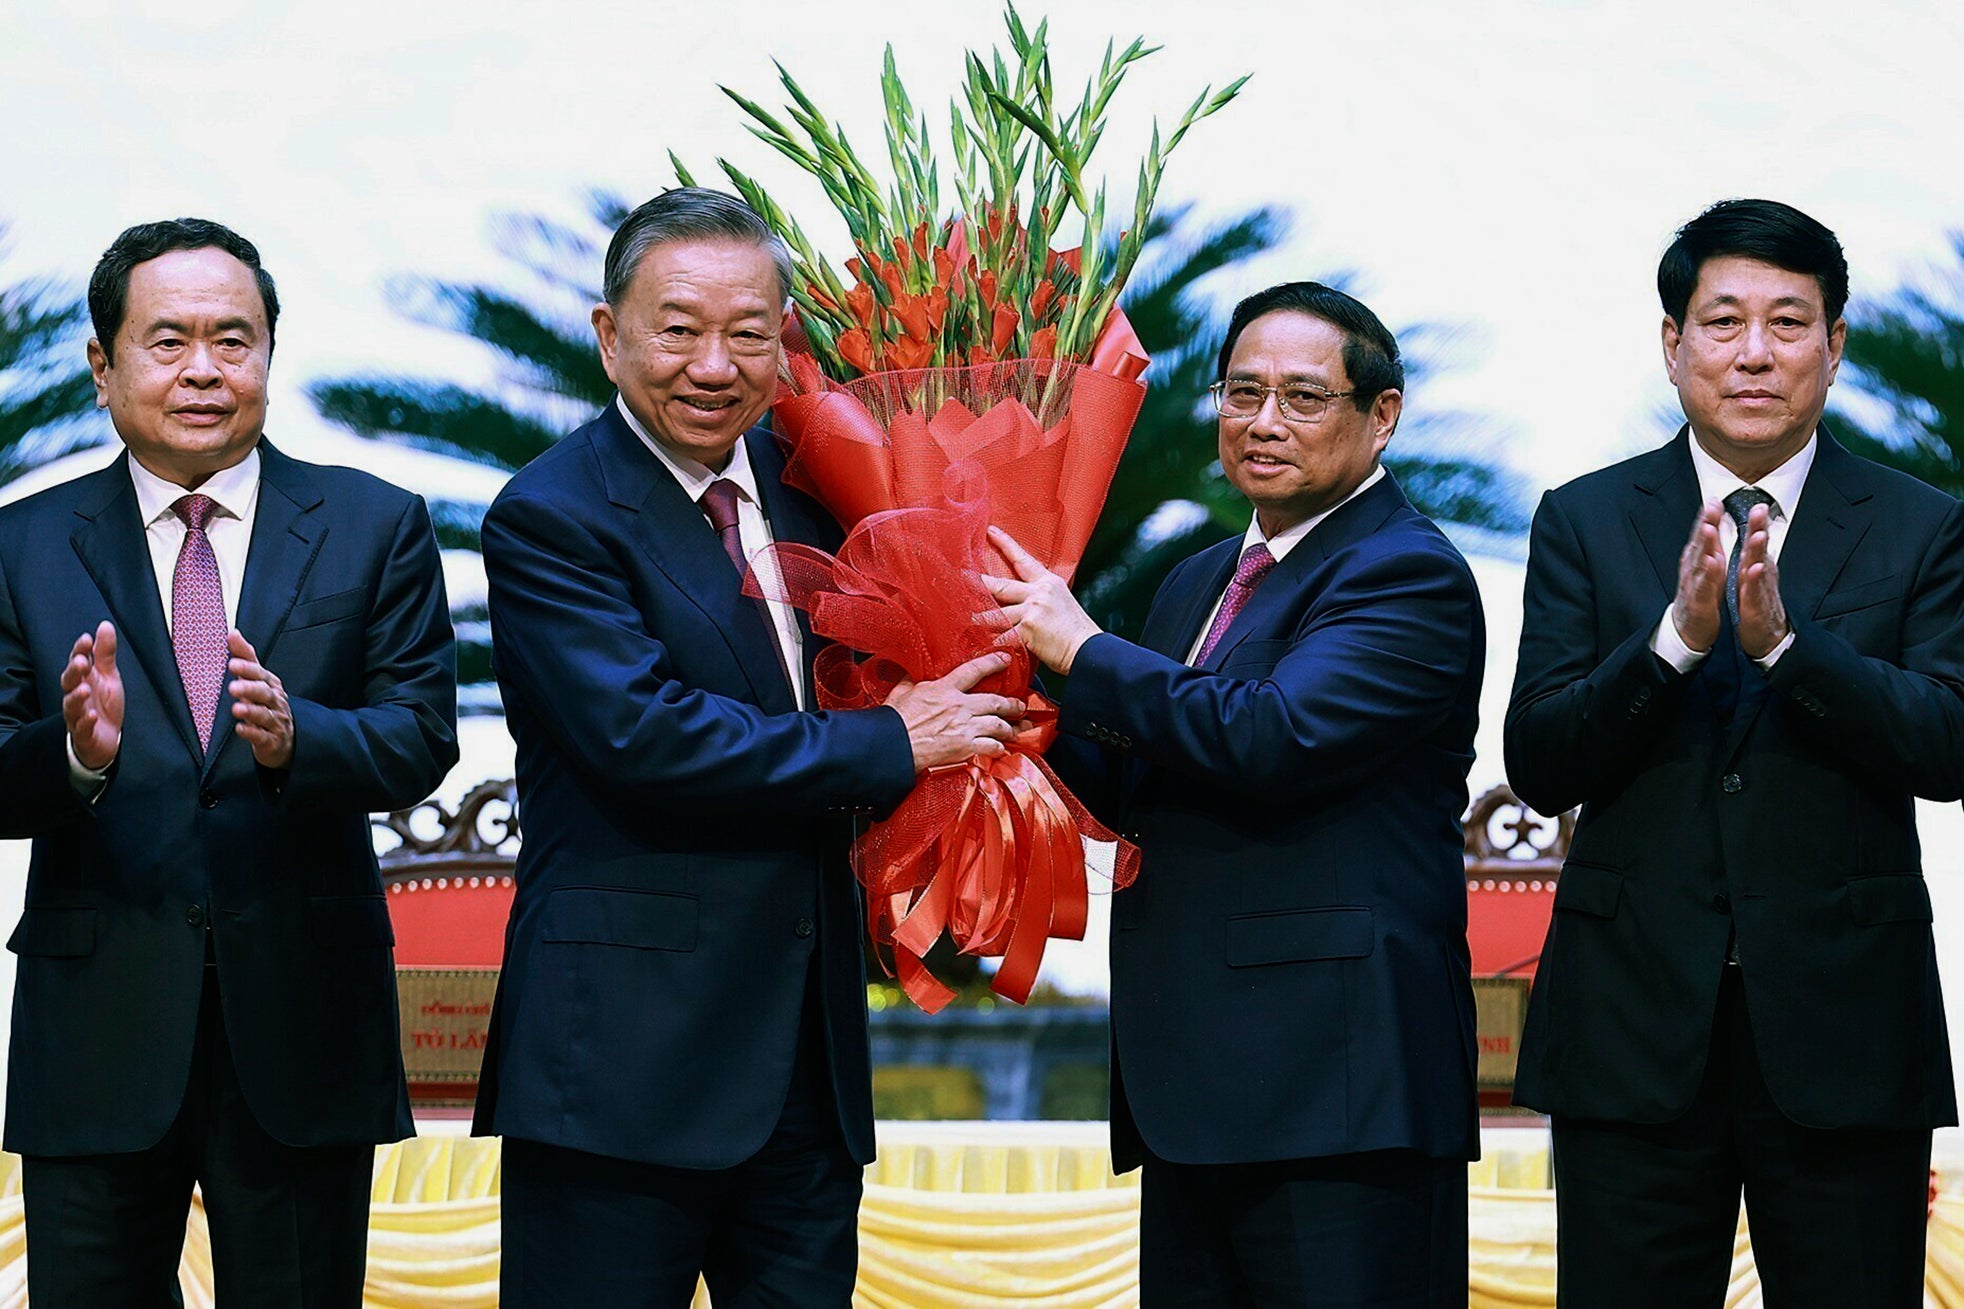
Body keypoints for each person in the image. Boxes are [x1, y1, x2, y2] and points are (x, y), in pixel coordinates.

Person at [473, 187, 1024, 1307]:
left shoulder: (818, 488)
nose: (713, 363)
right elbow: (646, 736)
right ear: (607, 335)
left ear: (785, 340)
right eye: (678, 327)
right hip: (621, 1074)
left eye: (748, 332)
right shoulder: (551, 515)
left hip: (803, 1078)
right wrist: (891, 742)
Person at [988, 281, 1483, 1307]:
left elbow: (1274, 734)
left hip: (1334, 1096)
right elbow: (1132, 774)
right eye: (1240, 392)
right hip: (1190, 1087)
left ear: (1379, 414)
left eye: (1302, 397)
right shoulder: (1194, 579)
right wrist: (1006, 702)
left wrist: (1078, 650)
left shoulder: (1407, 575)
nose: (1262, 422)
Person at [1507, 198, 1964, 1304]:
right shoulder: (1585, 517)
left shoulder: (1921, 524)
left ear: (1833, 344)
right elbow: (1540, 759)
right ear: (1672, 346)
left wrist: (1787, 651)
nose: (1753, 352)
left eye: (1788, 322)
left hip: (1843, 1028)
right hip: (1630, 1029)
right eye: (1721, 322)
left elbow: (1948, 745)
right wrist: (1671, 643)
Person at [0, 218, 458, 1306]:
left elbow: (421, 736)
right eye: (167, 342)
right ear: (103, 367)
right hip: (97, 1024)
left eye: (232, 339)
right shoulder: (21, 543)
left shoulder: (371, 524)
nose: (204, 368)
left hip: (302, 1016)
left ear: (267, 355)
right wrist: (73, 755)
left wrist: (308, 737)